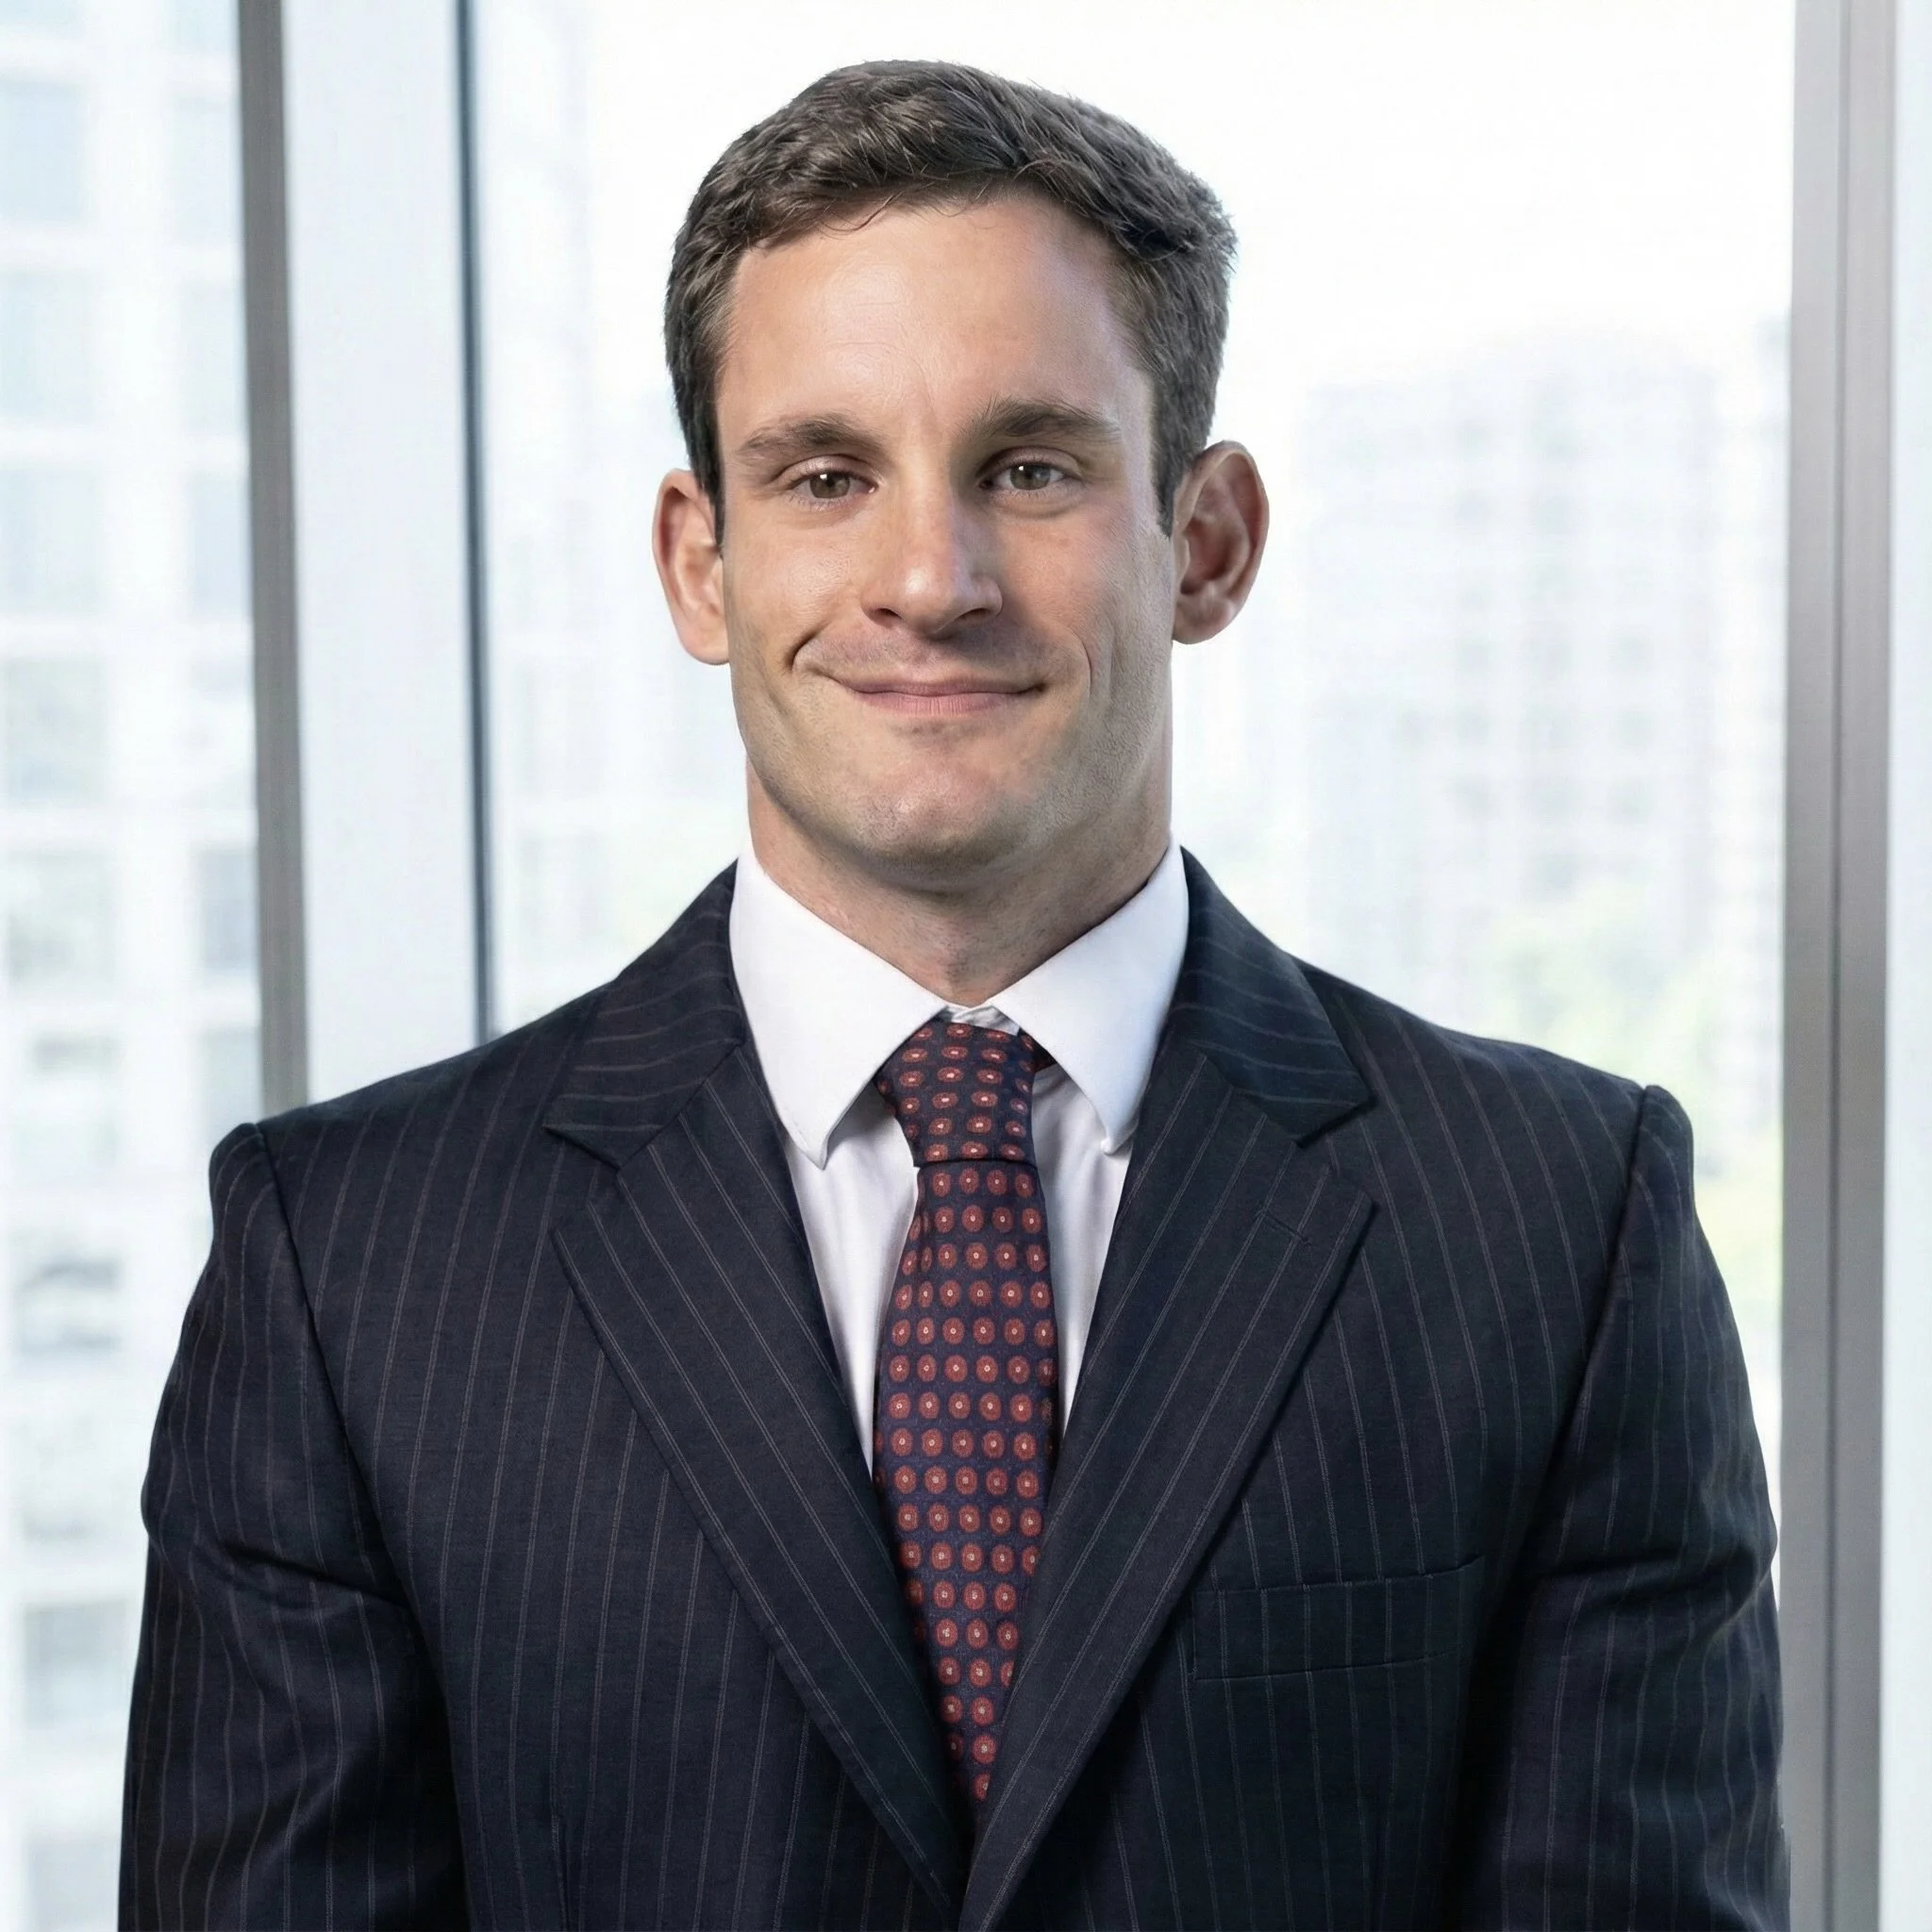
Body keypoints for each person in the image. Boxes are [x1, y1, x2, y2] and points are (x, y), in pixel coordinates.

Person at [121, 59, 1784, 1931]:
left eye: (1033, 465)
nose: (930, 576)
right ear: (699, 558)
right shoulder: (352, 1267)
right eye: (826, 476)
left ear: (1206, 541)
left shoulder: (1557, 1235)